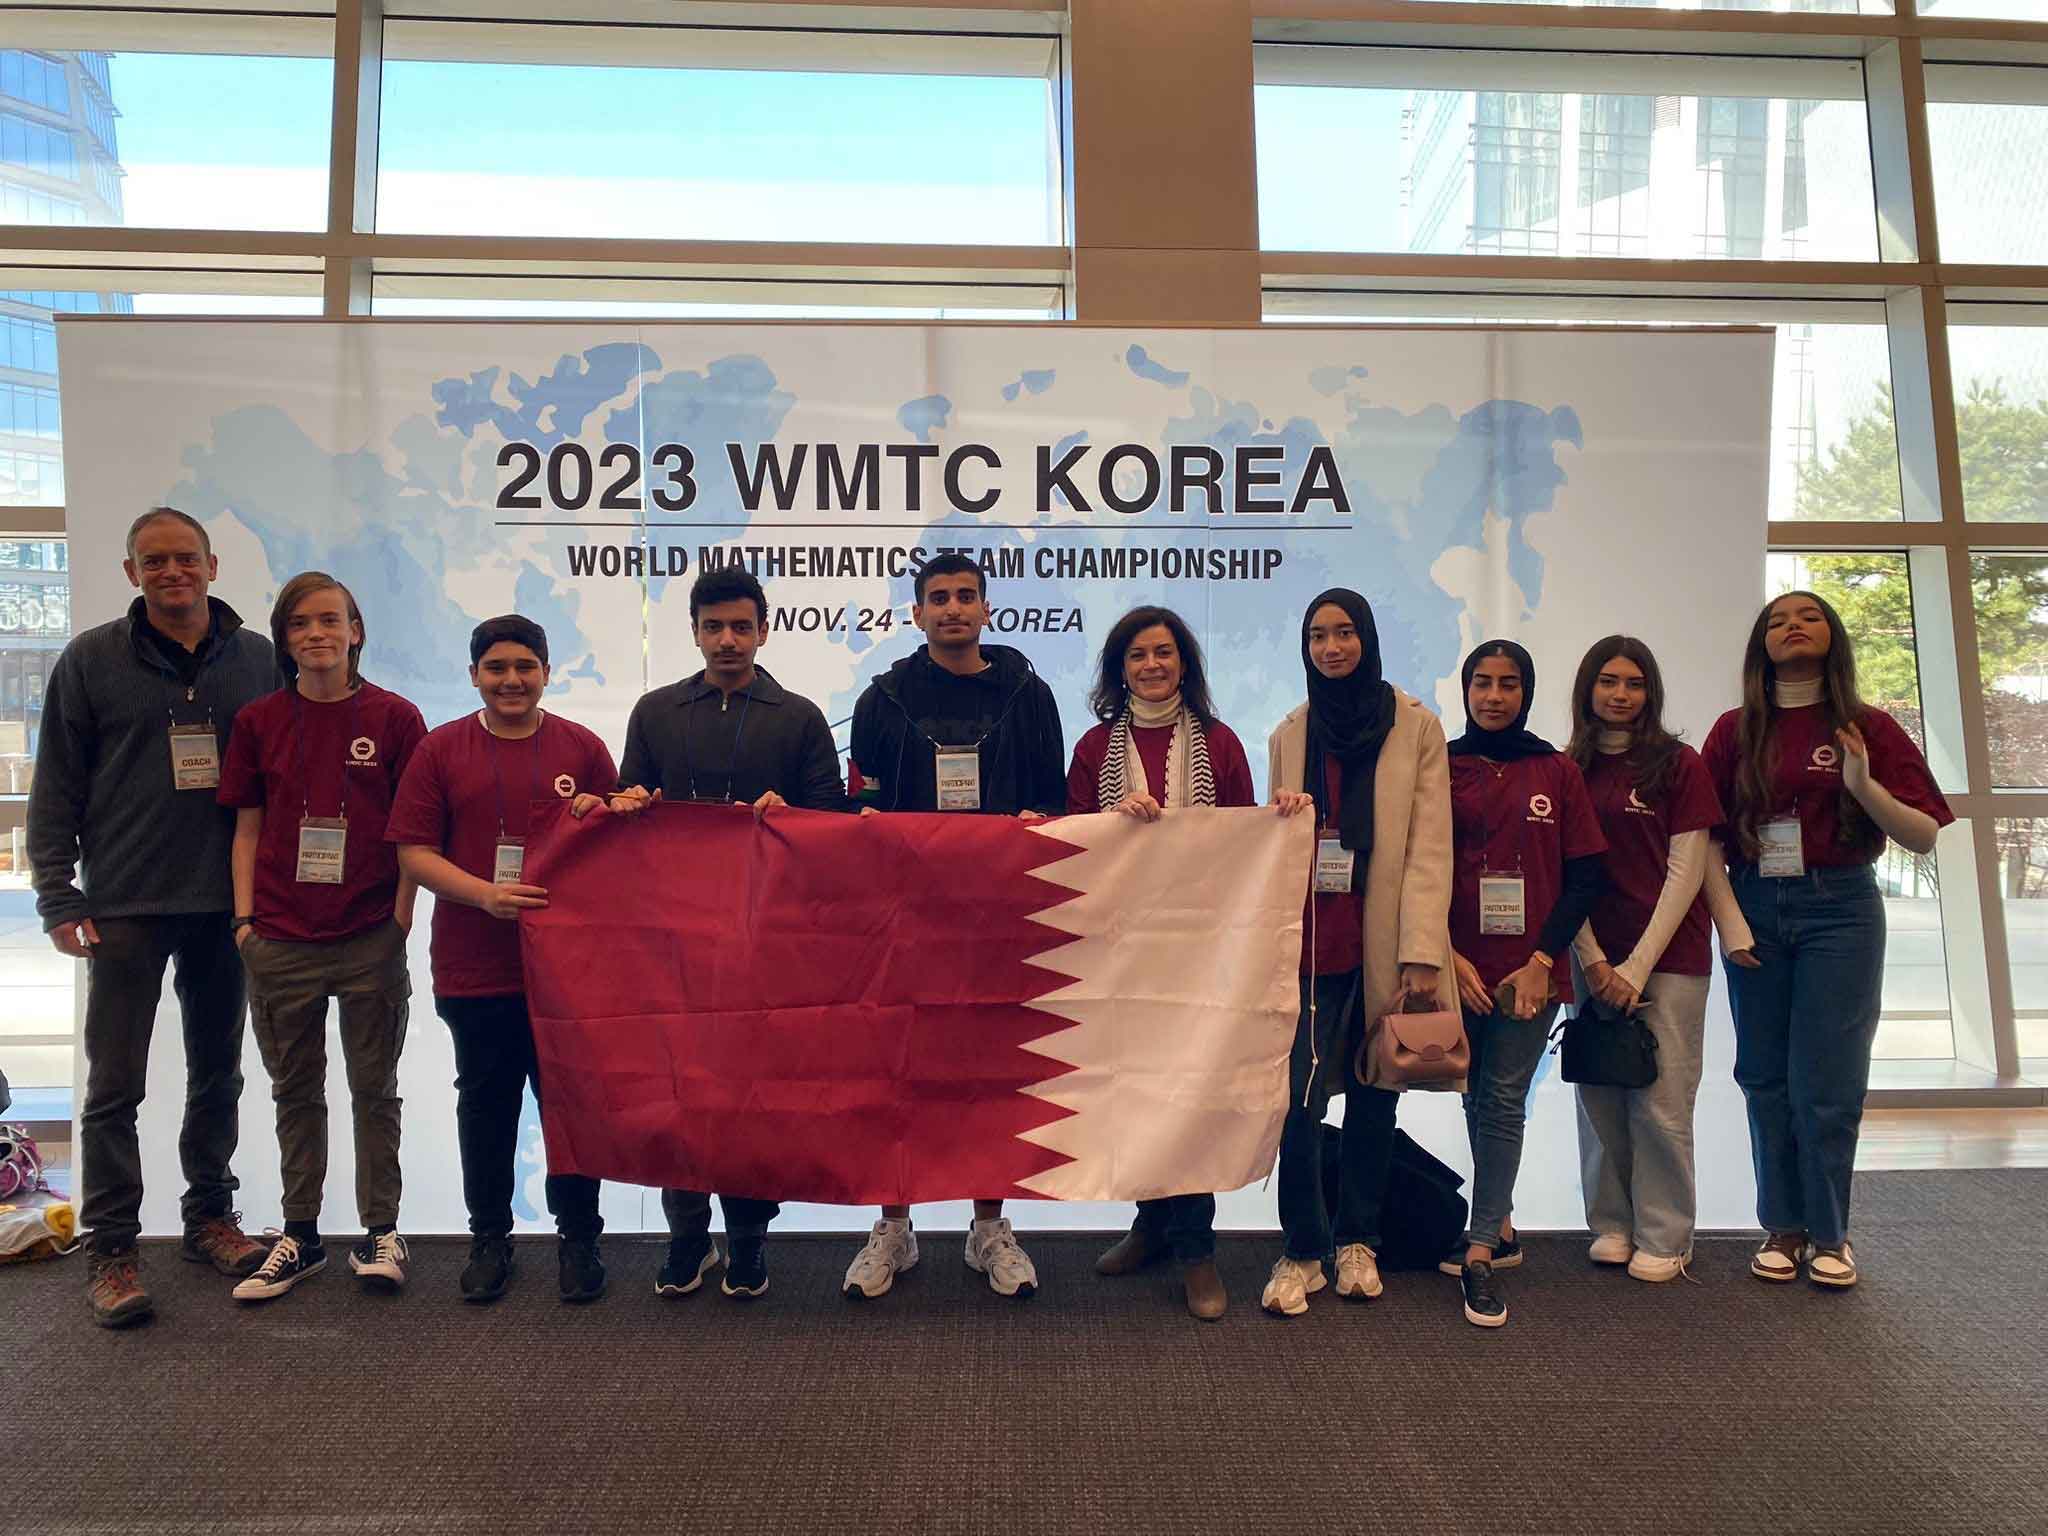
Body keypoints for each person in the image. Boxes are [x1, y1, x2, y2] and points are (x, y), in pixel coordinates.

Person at [28, 508, 276, 1327]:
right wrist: (58, 894)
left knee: (219, 1073)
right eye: (155, 561)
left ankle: (210, 1218)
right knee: (114, 1088)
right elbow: (56, 784)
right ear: (132, 573)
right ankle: (112, 1249)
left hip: (226, 906)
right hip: (124, 906)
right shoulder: (90, 659)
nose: (173, 572)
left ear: (212, 565)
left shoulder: (258, 659)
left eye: (185, 558)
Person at [603, 566, 846, 1303]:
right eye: (714, 627)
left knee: (750, 1092)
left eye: (742, 626)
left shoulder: (799, 717)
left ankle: (747, 1239)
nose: (728, 640)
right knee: (677, 1088)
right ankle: (686, 1237)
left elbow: (832, 825)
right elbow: (626, 802)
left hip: (764, 935)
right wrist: (628, 802)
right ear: (695, 633)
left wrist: (790, 815)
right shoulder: (655, 712)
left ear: (764, 631)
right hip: (674, 934)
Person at [1702, 591, 1951, 1290]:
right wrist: (1731, 924)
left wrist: (1862, 784)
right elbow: (1704, 840)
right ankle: (1782, 1228)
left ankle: (1831, 1234)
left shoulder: (1867, 727)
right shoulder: (1734, 730)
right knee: (1763, 1075)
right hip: (1755, 904)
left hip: (1840, 909)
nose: (1793, 627)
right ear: (1762, 644)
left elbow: (1922, 835)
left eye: (1808, 617)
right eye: (1778, 620)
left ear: (1833, 636)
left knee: (1829, 1081)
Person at [841, 552, 1066, 1301]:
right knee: (896, 1067)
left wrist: (1037, 820)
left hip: (999, 915)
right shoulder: (882, 698)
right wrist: (863, 820)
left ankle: (989, 1226)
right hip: (903, 917)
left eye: (966, 595)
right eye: (938, 598)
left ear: (987, 608)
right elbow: (860, 801)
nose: (953, 609)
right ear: (917, 614)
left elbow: (1056, 801)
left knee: (990, 1068)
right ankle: (893, 1225)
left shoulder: (1029, 694)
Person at [386, 615, 619, 1305]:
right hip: (474, 966)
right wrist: (484, 895)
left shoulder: (582, 747)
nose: (511, 680)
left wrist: (616, 811)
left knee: (570, 1110)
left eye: (525, 666)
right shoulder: (439, 749)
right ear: (474, 676)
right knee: (485, 1109)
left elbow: (618, 840)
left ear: (546, 672)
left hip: (568, 972)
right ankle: (489, 1240)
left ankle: (580, 1241)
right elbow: (414, 853)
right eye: (496, 668)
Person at [216, 572, 427, 1302]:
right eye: (300, 623)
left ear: (355, 631)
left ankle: (381, 1232)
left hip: (369, 934)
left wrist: (401, 918)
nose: (316, 634)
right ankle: (300, 1236)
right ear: (284, 639)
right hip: (278, 937)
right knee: (295, 1093)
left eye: (330, 620)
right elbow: (246, 828)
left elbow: (414, 830)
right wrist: (244, 923)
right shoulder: (258, 720)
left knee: (375, 1091)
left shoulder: (397, 719)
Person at [1262, 590, 1457, 1319]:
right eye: (1318, 635)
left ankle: (1358, 1241)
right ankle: (1302, 1248)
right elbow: (1274, 849)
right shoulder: (1290, 732)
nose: (1332, 648)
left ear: (1367, 639)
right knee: (1298, 1104)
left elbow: (1431, 846)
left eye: (1344, 633)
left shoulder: (1416, 726)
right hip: (1310, 945)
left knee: (1377, 1095)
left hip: (1384, 941)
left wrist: (1421, 951)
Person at [1064, 605, 1257, 1321]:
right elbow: (1073, 840)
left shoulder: (1221, 743)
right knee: (1134, 1094)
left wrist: (1283, 813)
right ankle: (1151, 1224)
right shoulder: (1093, 748)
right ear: (1120, 669)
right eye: (1138, 655)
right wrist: (1116, 827)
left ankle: (1196, 1253)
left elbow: (1245, 842)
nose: (1152, 665)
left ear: (1184, 664)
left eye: (1164, 653)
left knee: (1188, 1097)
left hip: (1197, 950)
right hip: (1118, 951)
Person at [1443, 639, 1606, 1329]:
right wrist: (1446, 954)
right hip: (1458, 965)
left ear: (1526, 692)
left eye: (1508, 684)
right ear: (1466, 690)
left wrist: (1542, 960)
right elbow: (1416, 865)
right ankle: (1501, 1224)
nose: (1494, 696)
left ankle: (1480, 1248)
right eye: (1481, 682)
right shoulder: (1439, 765)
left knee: (1504, 1098)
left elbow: (1585, 876)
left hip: (1529, 972)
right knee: (1474, 1095)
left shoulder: (1557, 771)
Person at [1563, 637, 1723, 1283]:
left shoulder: (1679, 765)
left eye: (1633, 683)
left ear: (1650, 693)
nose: (1620, 694)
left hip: (1670, 957)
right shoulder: (1568, 769)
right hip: (1592, 960)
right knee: (1599, 1094)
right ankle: (1613, 1225)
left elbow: (1688, 871)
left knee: (1661, 1103)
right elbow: (1565, 873)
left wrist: (1634, 967)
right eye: (1608, 681)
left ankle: (1666, 1236)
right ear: (1588, 689)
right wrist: (1595, 962)